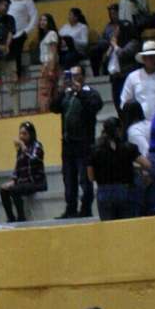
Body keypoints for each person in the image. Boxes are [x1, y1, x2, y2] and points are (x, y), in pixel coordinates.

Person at [50, 66, 103, 218]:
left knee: (85, 179)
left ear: (83, 76)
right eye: (70, 75)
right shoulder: (66, 94)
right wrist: (61, 90)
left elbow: (95, 106)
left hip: (84, 143)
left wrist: (80, 92)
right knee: (68, 178)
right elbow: (53, 107)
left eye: (76, 75)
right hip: (68, 144)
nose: (73, 78)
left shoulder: (90, 93)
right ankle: (70, 208)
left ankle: (86, 208)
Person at [87, 117, 151, 221]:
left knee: (109, 227)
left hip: (104, 191)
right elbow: (147, 164)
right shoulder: (129, 147)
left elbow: (91, 177)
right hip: (125, 190)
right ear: (120, 130)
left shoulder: (94, 150)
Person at [6, 0, 37, 81]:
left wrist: (27, 31)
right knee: (7, 54)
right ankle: (9, 76)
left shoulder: (28, 1)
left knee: (17, 54)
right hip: (7, 33)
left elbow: (34, 17)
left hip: (20, 33)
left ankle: (17, 76)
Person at [37, 13, 59, 113]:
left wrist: (50, 69)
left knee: (45, 91)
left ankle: (45, 111)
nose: (42, 22)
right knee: (50, 91)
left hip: (48, 65)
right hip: (46, 65)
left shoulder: (52, 34)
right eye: (41, 20)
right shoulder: (44, 35)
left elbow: (53, 52)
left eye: (45, 20)